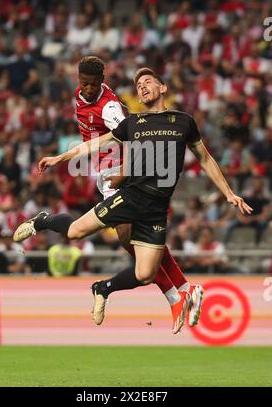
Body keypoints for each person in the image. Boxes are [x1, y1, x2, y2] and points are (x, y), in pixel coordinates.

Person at [13, 68, 253, 333]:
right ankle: (45, 220)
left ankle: (104, 287)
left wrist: (229, 193)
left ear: (163, 88)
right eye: (138, 85)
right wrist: (59, 158)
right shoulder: (134, 123)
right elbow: (95, 143)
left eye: (148, 82)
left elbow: (205, 158)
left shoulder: (184, 121)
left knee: (145, 274)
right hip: (130, 198)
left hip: (157, 209)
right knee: (74, 232)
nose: (142, 86)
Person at [74, 56, 204, 332]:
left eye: (91, 84)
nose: (86, 89)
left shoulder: (110, 108)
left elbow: (138, 137)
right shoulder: (81, 95)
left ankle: (176, 294)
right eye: (83, 83)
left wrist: (125, 174)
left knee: (131, 240)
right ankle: (182, 290)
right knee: (136, 242)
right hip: (107, 177)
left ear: (101, 81)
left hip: (125, 178)